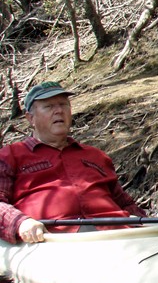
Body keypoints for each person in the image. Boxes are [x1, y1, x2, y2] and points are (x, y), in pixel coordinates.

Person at [0, 81, 145, 244]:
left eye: (63, 104)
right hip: (51, 242)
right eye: (49, 106)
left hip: (117, 236)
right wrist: (20, 222)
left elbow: (124, 203)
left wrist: (149, 224)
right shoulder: (9, 155)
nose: (59, 111)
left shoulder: (96, 156)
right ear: (30, 118)